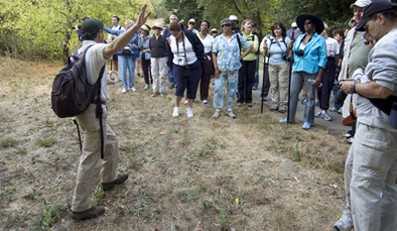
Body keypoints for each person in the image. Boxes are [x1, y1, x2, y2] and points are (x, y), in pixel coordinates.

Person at [70, 5, 150, 220]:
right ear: (98, 33)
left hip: (86, 109)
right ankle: (80, 207)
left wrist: (106, 80)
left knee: (111, 142)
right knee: (91, 157)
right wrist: (136, 27)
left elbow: (87, 77)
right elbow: (114, 46)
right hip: (93, 112)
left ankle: (109, 178)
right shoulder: (95, 49)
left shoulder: (79, 51)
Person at [337, 1, 397, 230]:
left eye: (368, 25)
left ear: (380, 18)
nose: (366, 31)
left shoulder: (389, 43)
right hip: (387, 125)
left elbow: (382, 89)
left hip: (378, 127)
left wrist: (354, 87)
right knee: (388, 185)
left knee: (365, 187)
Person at [331, 0, 372, 229]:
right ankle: (350, 213)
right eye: (355, 10)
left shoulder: (383, 38)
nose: (357, 13)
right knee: (354, 164)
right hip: (354, 91)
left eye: (362, 10)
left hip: (372, 102)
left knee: (366, 174)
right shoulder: (354, 31)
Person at [279, 14, 327, 130]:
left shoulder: (320, 40)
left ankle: (308, 120)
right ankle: (290, 117)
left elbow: (323, 58)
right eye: (305, 23)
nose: (306, 25)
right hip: (297, 68)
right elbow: (294, 52)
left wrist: (319, 76)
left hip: (311, 70)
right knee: (293, 93)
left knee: (310, 96)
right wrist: (290, 49)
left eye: (309, 23)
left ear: (314, 25)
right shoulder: (300, 38)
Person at [211, 18, 253, 118]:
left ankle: (230, 109)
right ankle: (218, 109)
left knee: (232, 90)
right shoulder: (218, 39)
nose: (225, 27)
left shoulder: (237, 37)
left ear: (231, 26)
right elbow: (214, 53)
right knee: (218, 88)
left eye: (227, 25)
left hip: (234, 69)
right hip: (221, 69)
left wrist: (242, 56)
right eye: (223, 26)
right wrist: (215, 68)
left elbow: (249, 46)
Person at [168, 22, 203, 118]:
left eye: (176, 34)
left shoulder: (190, 35)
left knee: (192, 87)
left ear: (181, 31)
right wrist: (172, 66)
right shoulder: (170, 39)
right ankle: (176, 107)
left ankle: (189, 108)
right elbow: (169, 55)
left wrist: (198, 62)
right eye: (172, 34)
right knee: (179, 87)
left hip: (193, 66)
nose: (174, 36)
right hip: (178, 66)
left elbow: (200, 48)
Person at [262, 22, 291, 113]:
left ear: (282, 30)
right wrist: (265, 49)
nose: (276, 31)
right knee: (273, 84)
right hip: (272, 64)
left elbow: (290, 51)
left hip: (283, 65)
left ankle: (283, 104)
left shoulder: (286, 39)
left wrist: (288, 59)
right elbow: (267, 54)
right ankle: (275, 103)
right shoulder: (270, 40)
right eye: (274, 29)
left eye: (278, 29)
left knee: (283, 84)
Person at [104, 19, 139, 93]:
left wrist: (133, 46)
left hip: (131, 54)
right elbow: (111, 31)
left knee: (131, 70)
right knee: (123, 70)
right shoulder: (121, 32)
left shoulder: (135, 34)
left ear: (132, 26)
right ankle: (124, 86)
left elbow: (138, 47)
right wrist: (101, 26)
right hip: (121, 54)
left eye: (129, 25)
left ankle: (131, 86)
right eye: (126, 25)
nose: (127, 26)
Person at [315, 23, 340, 121]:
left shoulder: (332, 41)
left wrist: (335, 66)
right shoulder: (317, 41)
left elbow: (337, 55)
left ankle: (325, 108)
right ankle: (321, 108)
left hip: (329, 63)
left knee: (327, 86)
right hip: (319, 63)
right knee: (319, 86)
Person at [237, 19, 259, 107]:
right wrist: (249, 46)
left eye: (251, 24)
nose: (250, 25)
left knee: (250, 80)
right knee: (241, 80)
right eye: (248, 24)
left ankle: (248, 100)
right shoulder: (239, 36)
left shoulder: (255, 37)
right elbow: (238, 48)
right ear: (243, 26)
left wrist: (245, 48)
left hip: (252, 61)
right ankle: (240, 99)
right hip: (241, 61)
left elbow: (255, 49)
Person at [197, 20, 215, 104]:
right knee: (193, 78)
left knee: (205, 78)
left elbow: (213, 51)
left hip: (207, 59)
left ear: (208, 27)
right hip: (196, 58)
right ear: (200, 26)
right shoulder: (195, 36)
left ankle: (204, 97)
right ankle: (189, 97)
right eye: (202, 25)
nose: (204, 26)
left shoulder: (211, 38)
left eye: (206, 25)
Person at [149, 22, 168, 96]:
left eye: (158, 28)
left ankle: (162, 90)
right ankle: (155, 90)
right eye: (155, 28)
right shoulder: (151, 39)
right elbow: (150, 47)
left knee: (162, 74)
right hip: (153, 57)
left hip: (162, 57)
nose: (157, 30)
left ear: (160, 30)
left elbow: (166, 48)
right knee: (154, 74)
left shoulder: (163, 39)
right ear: (153, 29)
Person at [139, 24, 152, 90]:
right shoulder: (140, 37)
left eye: (143, 30)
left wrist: (147, 50)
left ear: (146, 31)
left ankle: (153, 83)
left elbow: (153, 48)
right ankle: (147, 83)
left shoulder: (151, 38)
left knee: (151, 70)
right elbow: (140, 47)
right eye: (141, 30)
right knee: (145, 70)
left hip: (149, 56)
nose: (141, 31)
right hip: (143, 56)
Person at [252, 22, 262, 90]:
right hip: (247, 55)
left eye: (254, 27)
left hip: (256, 54)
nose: (252, 28)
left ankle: (255, 84)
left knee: (255, 70)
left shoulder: (258, 35)